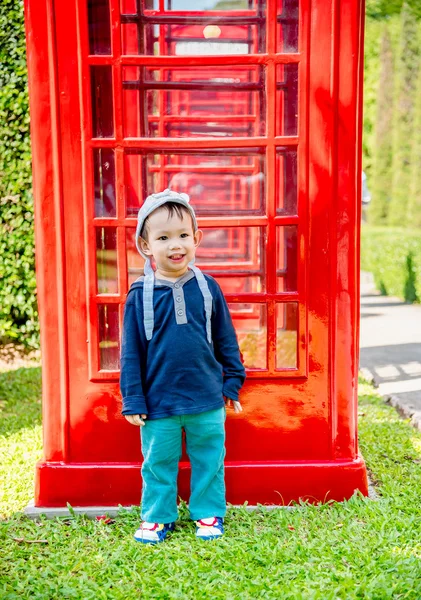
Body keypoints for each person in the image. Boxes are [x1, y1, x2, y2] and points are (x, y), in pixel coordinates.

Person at [120, 189, 246, 544]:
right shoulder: (139, 294)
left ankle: (208, 513)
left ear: (196, 239)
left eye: (182, 236)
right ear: (146, 246)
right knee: (158, 463)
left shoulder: (208, 288)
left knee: (209, 459)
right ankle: (158, 517)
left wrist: (232, 382)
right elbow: (130, 353)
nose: (175, 245)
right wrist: (133, 399)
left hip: (207, 397)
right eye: (163, 238)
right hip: (159, 401)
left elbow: (225, 339)